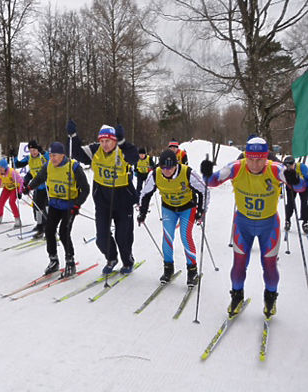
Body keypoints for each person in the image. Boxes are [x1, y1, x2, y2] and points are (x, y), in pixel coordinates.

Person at [201, 137, 306, 319]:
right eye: (251, 159)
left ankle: (270, 298)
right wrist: (206, 172)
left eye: (259, 160)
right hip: (243, 224)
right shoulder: (236, 167)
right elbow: (211, 181)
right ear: (246, 156)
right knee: (239, 264)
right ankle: (236, 296)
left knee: (270, 265)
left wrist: (294, 179)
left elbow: (301, 187)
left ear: (266, 157)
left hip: (269, 225)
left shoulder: (275, 168)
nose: (255, 164)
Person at [68, 121, 139, 274]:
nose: (105, 144)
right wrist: (73, 136)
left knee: (123, 237)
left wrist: (122, 143)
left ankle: (128, 260)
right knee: (101, 237)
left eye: (108, 141)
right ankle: (111, 258)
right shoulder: (95, 150)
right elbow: (77, 153)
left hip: (123, 200)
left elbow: (134, 157)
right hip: (103, 201)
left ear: (115, 140)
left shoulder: (123, 150)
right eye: (102, 141)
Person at [138, 149, 208, 286]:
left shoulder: (187, 173)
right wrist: (142, 212)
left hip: (187, 208)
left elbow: (204, 191)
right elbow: (145, 194)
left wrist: (201, 210)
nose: (167, 170)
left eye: (170, 167)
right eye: (164, 167)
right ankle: (168, 269)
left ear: (176, 165)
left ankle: (192, 270)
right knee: (167, 236)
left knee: (185, 236)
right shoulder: (155, 175)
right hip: (169, 208)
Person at [23, 142, 90, 277]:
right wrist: (29, 187)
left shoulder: (74, 167)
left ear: (62, 155)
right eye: (51, 155)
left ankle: (70, 261)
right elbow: (39, 178)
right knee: (49, 231)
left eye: (55, 156)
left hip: (69, 206)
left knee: (64, 232)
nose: (52, 158)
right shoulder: (48, 166)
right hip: (54, 204)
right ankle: (53, 260)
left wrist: (77, 204)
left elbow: (85, 189)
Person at [14, 140, 49, 238]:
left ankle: (49, 228)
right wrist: (14, 156)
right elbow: (19, 165)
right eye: (31, 150)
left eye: (34, 150)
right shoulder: (29, 158)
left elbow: (51, 160)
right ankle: (40, 226)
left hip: (48, 186)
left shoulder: (43, 157)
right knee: (37, 209)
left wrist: (44, 152)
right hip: (37, 187)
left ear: (38, 149)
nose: (33, 152)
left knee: (47, 208)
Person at [0, 159, 23, 229]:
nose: (0, 170)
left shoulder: (12, 172)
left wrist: (20, 192)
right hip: (7, 188)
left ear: (5, 167)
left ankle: (17, 219)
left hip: (15, 188)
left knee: (11, 202)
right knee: (1, 201)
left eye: (2, 168)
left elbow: (21, 181)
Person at [282, 156, 308, 233]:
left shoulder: (301, 167)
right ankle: (287, 220)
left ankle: (305, 221)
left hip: (304, 187)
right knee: (290, 204)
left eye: (290, 164)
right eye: (287, 165)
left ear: (294, 163)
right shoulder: (284, 169)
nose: (288, 167)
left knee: (304, 203)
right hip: (291, 187)